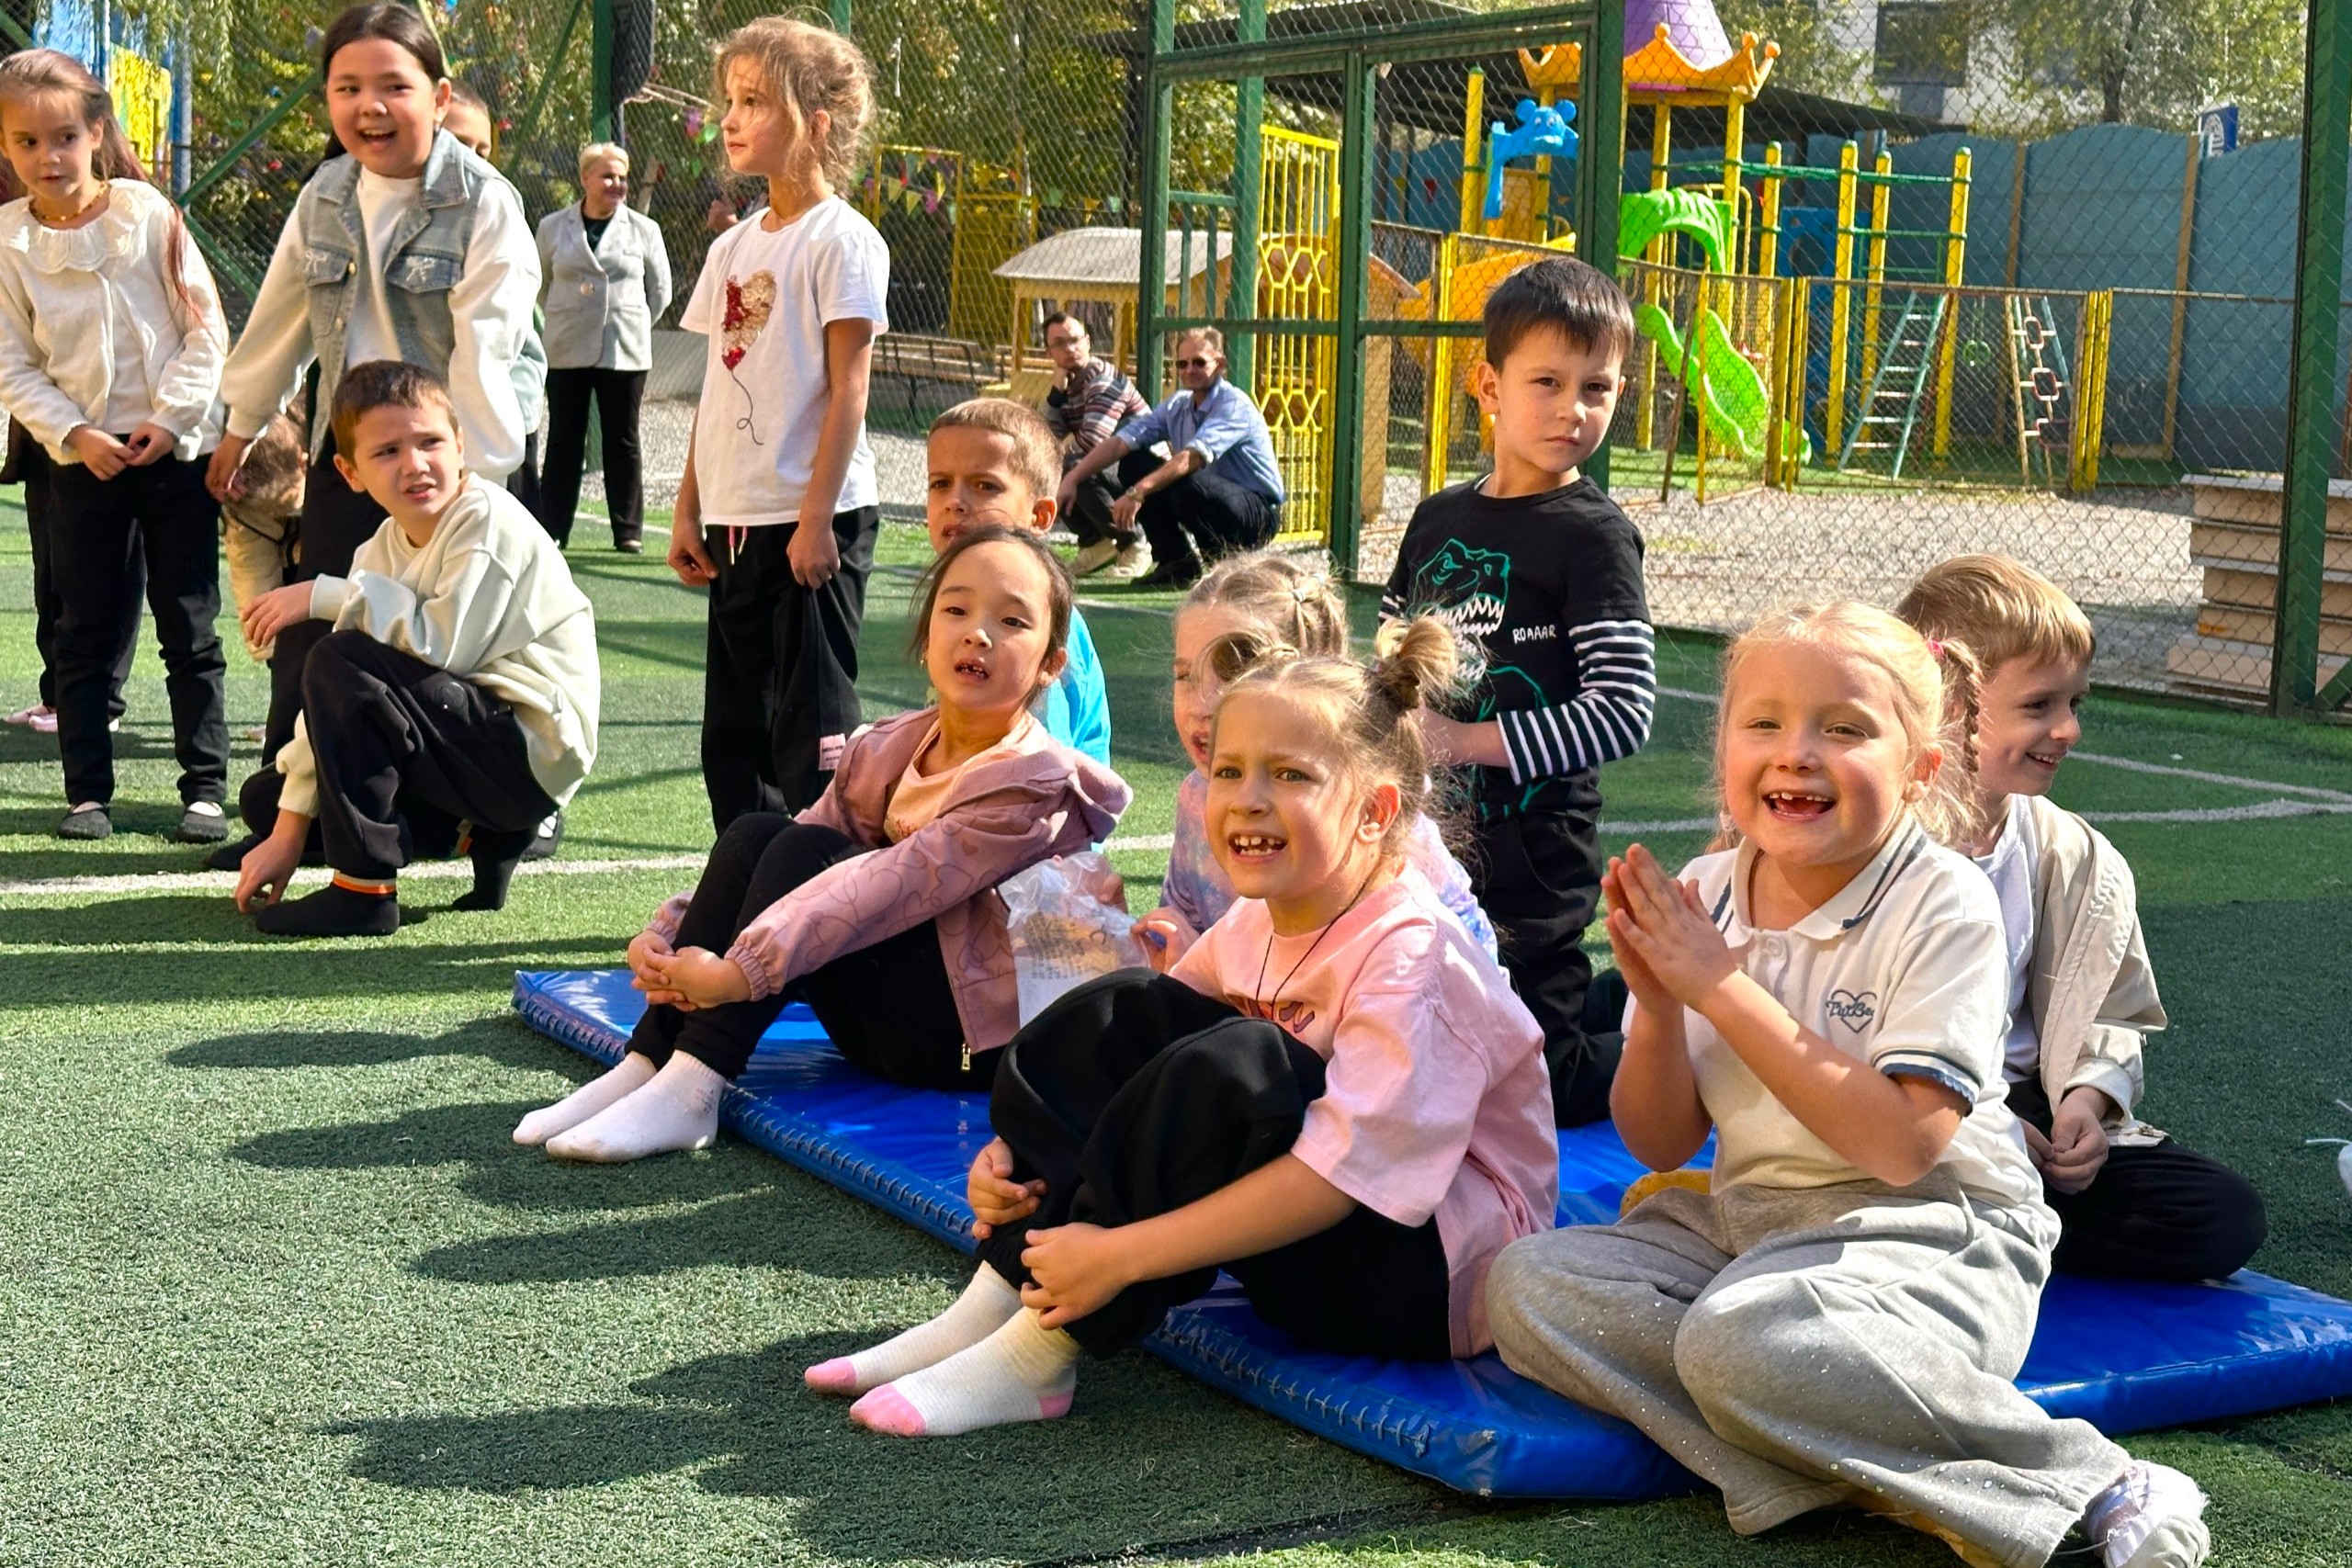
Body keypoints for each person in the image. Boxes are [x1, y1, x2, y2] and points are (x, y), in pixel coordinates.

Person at [1485, 603, 2211, 1568]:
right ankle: (1829, 1458)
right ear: (1726, 745)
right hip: (1752, 1229)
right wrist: (1658, 1008)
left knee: (1739, 1342)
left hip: (1934, 1230)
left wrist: (1720, 987)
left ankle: (2090, 1484)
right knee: (1530, 1285)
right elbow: (1660, 1143)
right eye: (1765, 722)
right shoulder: (1708, 889)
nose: (1796, 753)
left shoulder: (1944, 902)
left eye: (1843, 728)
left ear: (1918, 768)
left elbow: (1901, 1147)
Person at [808, 622, 1556, 1439]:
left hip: (1422, 1280)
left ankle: (1043, 1351)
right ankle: (999, 1291)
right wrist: (1017, 1157)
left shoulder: (1415, 957)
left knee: (1244, 1063)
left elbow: (1343, 1180)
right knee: (1123, 1009)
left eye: (1290, 774)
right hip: (1314, 1243)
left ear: (1375, 812)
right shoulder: (1262, 915)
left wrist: (1123, 1254)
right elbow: (1136, 1048)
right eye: (1230, 770)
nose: (1248, 798)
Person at [514, 526, 1128, 1163]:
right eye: (956, 609)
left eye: (1012, 621)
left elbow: (890, 885)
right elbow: (794, 845)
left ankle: (694, 1086)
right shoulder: (889, 745)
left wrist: (739, 972)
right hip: (886, 1021)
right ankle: (647, 1061)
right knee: (761, 834)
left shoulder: (1033, 785)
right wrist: (667, 939)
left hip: (967, 1047)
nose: (979, 634)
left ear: (1051, 664)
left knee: (808, 856)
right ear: (927, 637)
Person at [207, 2, 546, 868]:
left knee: (453, 636)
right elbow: (280, 320)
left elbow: (489, 348)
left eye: (394, 85)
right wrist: (240, 426)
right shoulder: (325, 195)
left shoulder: (484, 201)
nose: (370, 107)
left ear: (438, 96)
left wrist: (474, 484)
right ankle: (294, 818)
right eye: (347, 87)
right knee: (312, 633)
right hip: (353, 457)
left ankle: (500, 810)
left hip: (454, 461)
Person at [1896, 555, 2267, 1282]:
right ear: (1948, 700)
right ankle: (1983, 1221)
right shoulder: (1880, 849)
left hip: (2027, 1112)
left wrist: (2086, 1103)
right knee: (1891, 1170)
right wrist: (1979, 1126)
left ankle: (1995, 1227)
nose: (2067, 729)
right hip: (1914, 1105)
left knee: (2222, 1216)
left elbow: (2109, 1013)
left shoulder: (2076, 855)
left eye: (2075, 703)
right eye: (2039, 705)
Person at [1381, 255, 1655, 1128]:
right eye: (1548, 382)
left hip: (1534, 850)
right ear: (1488, 386)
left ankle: (1681, 1033)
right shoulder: (1437, 520)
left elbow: (1622, 711)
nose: (1574, 409)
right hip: (1431, 842)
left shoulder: (1594, 537)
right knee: (1427, 1033)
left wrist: (1466, 743)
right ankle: (1621, 999)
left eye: (1596, 388)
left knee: (1541, 1081)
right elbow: (1390, 656)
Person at [229, 361, 598, 937]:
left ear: (460, 446)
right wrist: (287, 833)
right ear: (350, 473)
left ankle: (364, 890)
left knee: (339, 660)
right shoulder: (380, 548)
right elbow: (336, 706)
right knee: (270, 800)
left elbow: (443, 647)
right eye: (387, 452)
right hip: (466, 746)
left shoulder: (488, 522)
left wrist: (323, 593)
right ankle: (481, 836)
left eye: (429, 442)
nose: (415, 464)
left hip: (527, 757)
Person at [0, 48, 231, 843]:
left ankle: (205, 789)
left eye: (64, 137)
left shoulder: (147, 215)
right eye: (27, 142)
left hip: (171, 457)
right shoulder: (8, 242)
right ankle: (87, 795)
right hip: (82, 466)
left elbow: (204, 328)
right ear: (6, 147)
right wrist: (75, 434)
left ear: (97, 133)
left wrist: (170, 419)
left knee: (189, 626)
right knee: (82, 632)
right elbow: (13, 364)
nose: (48, 157)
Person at [669, 16, 888, 829]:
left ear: (817, 124)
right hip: (735, 520)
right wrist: (689, 507)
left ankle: (824, 875)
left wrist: (815, 518)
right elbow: (716, 389)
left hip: (810, 519)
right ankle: (746, 872)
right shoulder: (730, 249)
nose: (730, 119)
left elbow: (849, 388)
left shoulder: (844, 240)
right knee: (734, 731)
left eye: (754, 101)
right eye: (729, 100)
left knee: (812, 729)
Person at [1131, 549, 1496, 964]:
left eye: (1234, 671)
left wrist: (1207, 974)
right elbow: (1185, 924)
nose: (1202, 703)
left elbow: (1463, 959)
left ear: (1306, 678)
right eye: (1185, 675)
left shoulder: (1364, 814)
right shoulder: (1198, 797)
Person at [925, 397, 1108, 763]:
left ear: (1039, 515)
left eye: (984, 485)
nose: (954, 501)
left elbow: (1042, 759)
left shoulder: (1038, 617)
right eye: (941, 483)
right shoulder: (952, 593)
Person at [1056, 326, 1283, 590]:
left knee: (1187, 482)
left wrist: (1137, 492)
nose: (1189, 370)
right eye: (1182, 364)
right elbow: (1119, 443)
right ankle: (1176, 563)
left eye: (1199, 362)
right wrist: (1072, 478)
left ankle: (1221, 564)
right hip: (1211, 496)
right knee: (1134, 463)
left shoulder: (1233, 404)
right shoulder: (1178, 404)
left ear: (1220, 364)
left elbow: (1192, 458)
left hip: (1257, 513)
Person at [536, 140, 672, 552]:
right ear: (585, 178)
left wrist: (630, 321)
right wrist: (567, 315)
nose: (617, 184)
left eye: (622, 178)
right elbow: (540, 282)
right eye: (608, 176)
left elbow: (660, 291)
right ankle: (552, 528)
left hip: (624, 349)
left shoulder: (644, 230)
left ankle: (628, 531)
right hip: (566, 347)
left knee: (622, 440)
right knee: (564, 439)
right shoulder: (552, 227)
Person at [438, 84, 544, 524]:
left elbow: (509, 344)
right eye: (458, 144)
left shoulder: (496, 208)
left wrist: (513, 418)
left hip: (488, 433)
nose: (473, 161)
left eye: (482, 150)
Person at [1037, 310, 1148, 579]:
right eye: (1060, 343)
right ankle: (1096, 543)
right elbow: (1042, 440)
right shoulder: (1067, 384)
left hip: (1146, 472)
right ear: (1048, 352)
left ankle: (1136, 543)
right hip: (1113, 472)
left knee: (1074, 465)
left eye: (1075, 340)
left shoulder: (1102, 379)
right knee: (1050, 463)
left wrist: (1064, 469)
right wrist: (1055, 396)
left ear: (1088, 342)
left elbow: (1093, 442)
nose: (1070, 348)